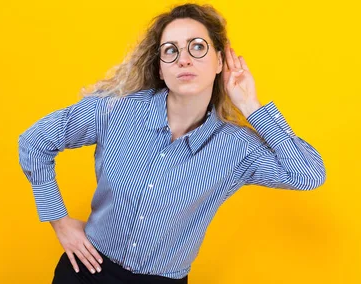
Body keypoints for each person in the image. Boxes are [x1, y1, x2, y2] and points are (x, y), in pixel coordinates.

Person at [18, 3, 326, 283]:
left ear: (220, 61)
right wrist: (58, 221)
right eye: (171, 51)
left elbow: (309, 175)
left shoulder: (236, 148)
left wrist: (251, 107)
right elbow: (34, 142)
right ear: (161, 69)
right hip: (88, 270)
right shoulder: (115, 109)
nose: (184, 60)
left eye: (197, 47)